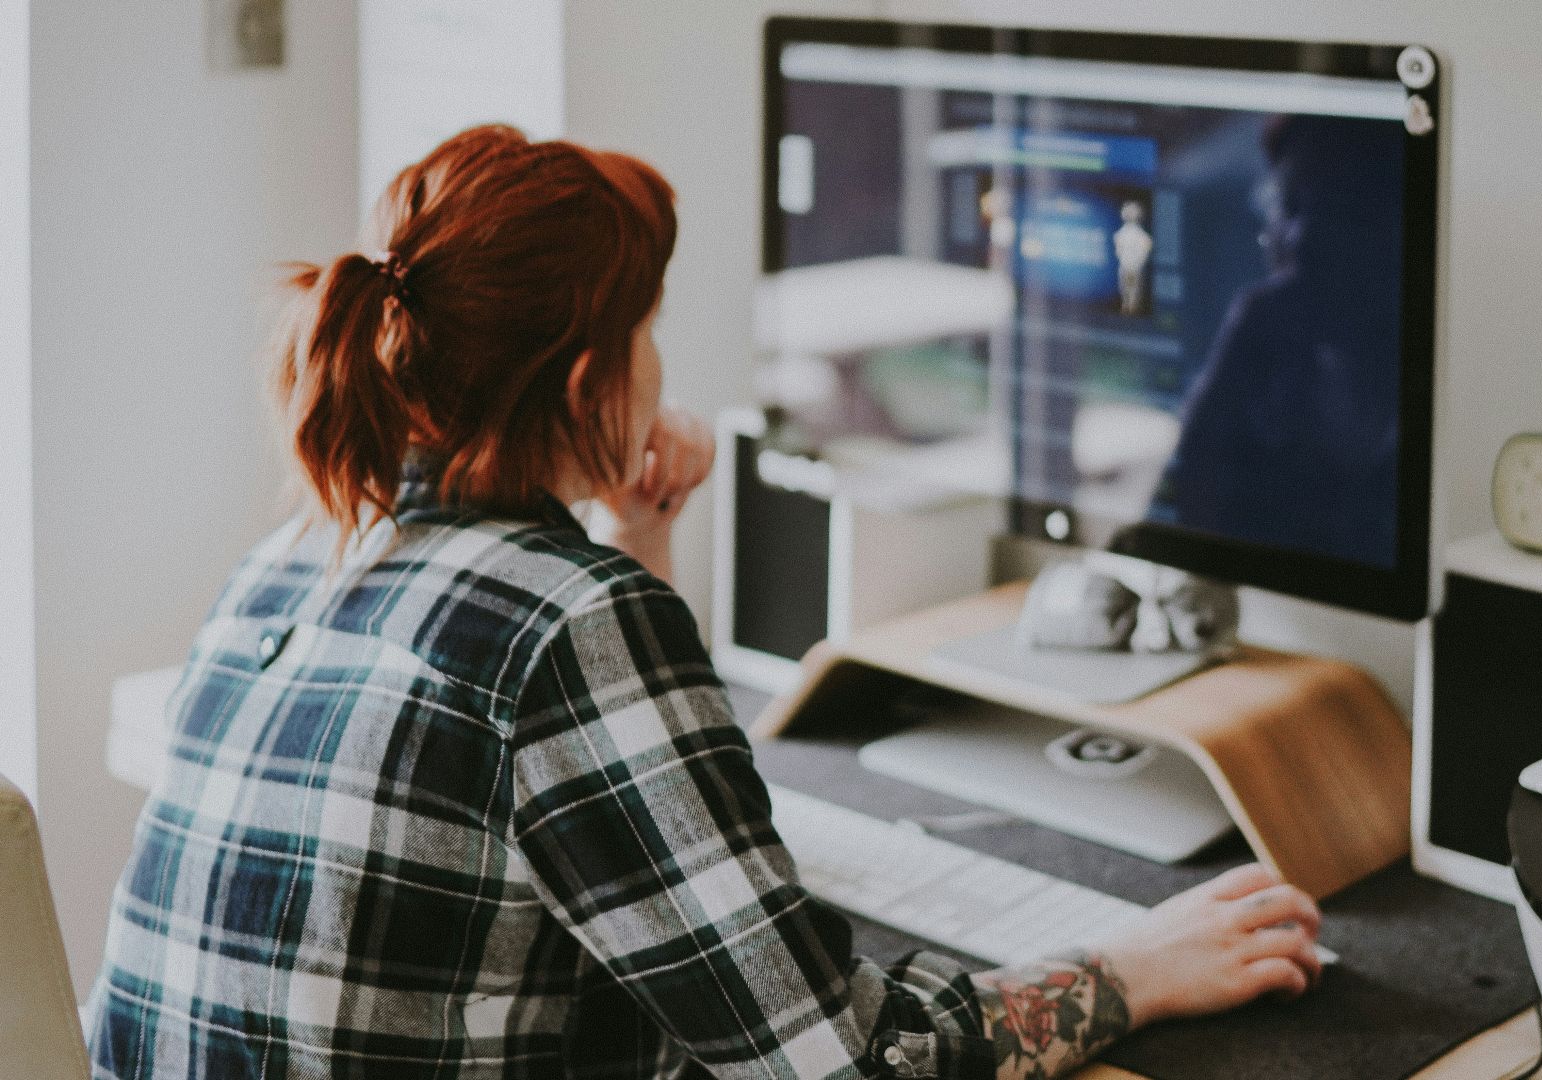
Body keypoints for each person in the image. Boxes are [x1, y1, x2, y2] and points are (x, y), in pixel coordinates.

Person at [85, 125, 1326, 1080]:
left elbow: (613, 838)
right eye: (650, 330)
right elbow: (837, 1060)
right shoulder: (567, 622)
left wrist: (638, 537)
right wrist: (1134, 970)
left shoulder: (299, 549)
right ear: (590, 381)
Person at [1159, 115, 1405, 568]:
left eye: (1335, 206)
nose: (1303, 236)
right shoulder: (1262, 336)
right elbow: (1182, 511)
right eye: (1288, 205)